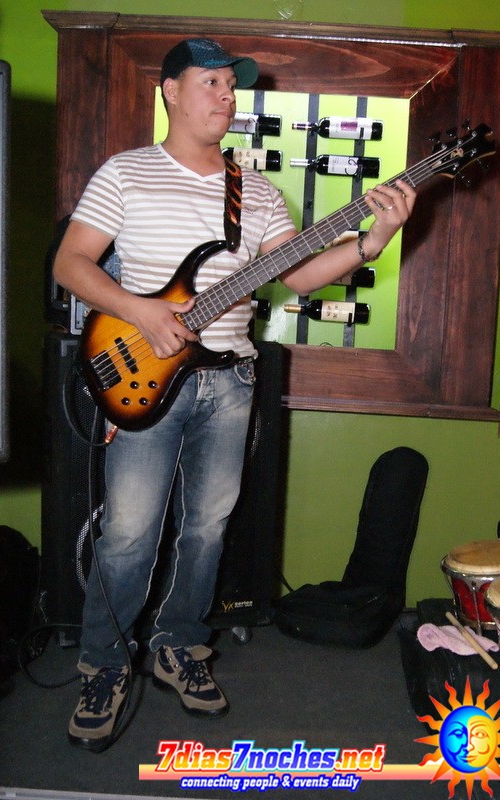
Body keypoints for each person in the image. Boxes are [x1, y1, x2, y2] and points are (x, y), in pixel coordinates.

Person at [53, 37, 416, 752]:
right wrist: (141, 311)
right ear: (171, 91)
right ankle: (103, 665)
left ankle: (178, 645)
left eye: (231, 86)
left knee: (209, 529)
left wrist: (374, 238)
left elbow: (299, 276)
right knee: (128, 533)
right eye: (212, 83)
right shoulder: (125, 173)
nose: (227, 96)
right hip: (145, 377)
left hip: (231, 382)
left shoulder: (257, 193)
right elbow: (71, 263)